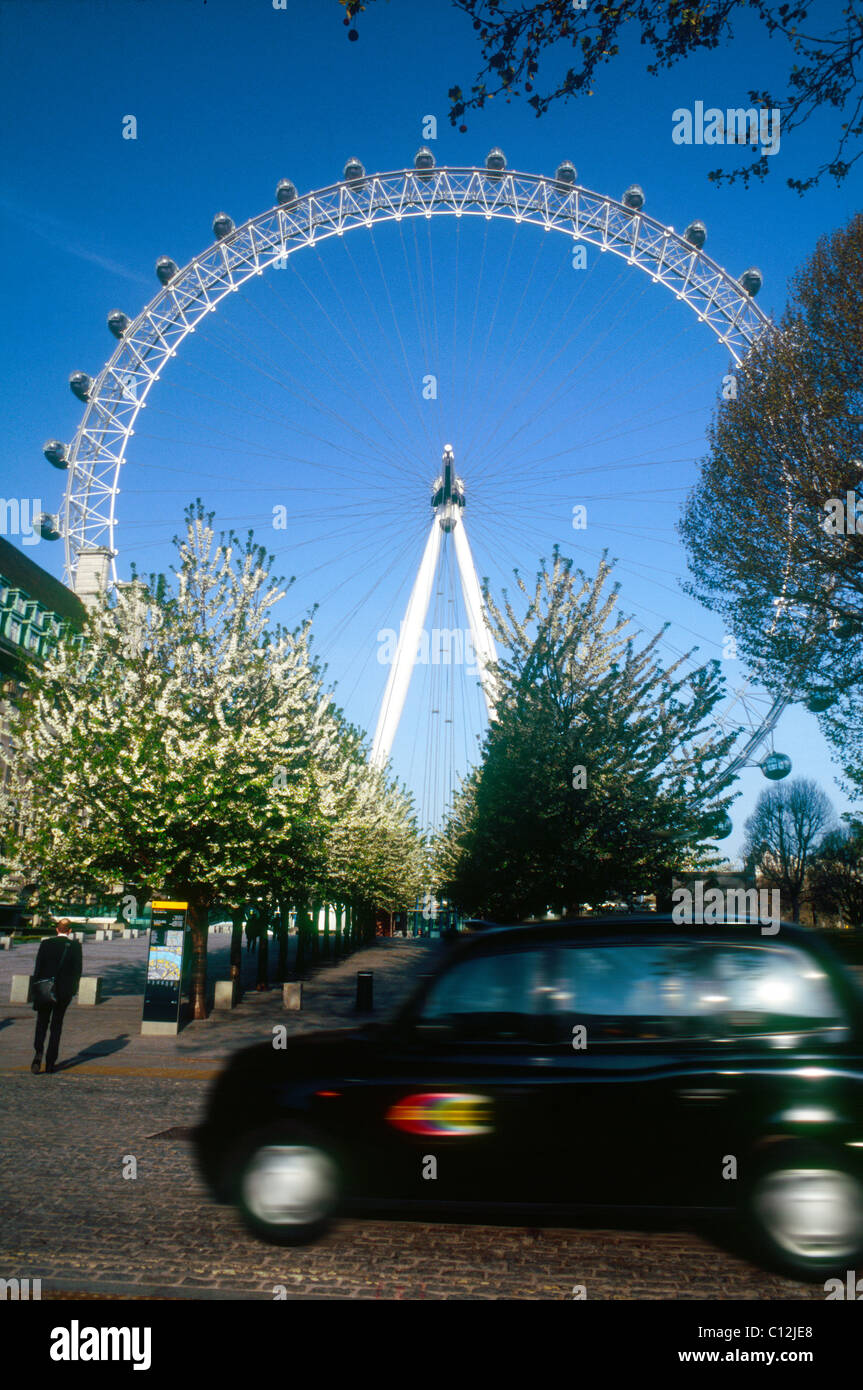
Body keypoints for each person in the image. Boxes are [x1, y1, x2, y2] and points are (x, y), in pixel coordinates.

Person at [31, 918, 82, 1075]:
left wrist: (36, 989)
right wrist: (72, 990)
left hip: (45, 989)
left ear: (56, 929)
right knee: (56, 1025)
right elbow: (77, 971)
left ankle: (38, 1053)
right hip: (63, 992)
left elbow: (38, 968)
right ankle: (51, 1062)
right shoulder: (75, 946)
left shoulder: (46, 944)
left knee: (41, 1023)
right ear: (70, 931)